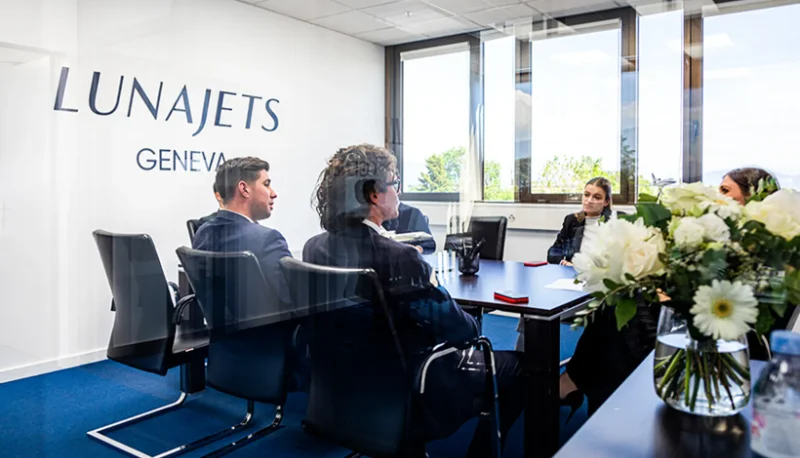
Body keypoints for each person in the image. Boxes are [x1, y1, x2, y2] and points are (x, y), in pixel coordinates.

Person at [303, 144, 523, 458]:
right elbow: (463, 331)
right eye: (394, 183)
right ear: (374, 194)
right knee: (522, 368)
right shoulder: (400, 257)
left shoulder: (315, 247)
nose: (398, 191)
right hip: (412, 379)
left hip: (346, 381)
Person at [192, 157, 308, 390]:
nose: (273, 193)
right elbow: (292, 301)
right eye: (266, 184)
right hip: (270, 351)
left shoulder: (203, 232)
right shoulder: (267, 239)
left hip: (228, 351)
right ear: (244, 189)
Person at [719, 167, 787, 360]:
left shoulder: (770, 251)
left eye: (725, 191)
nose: (717, 197)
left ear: (752, 198)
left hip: (747, 347)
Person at [547, 177, 617, 266]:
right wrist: (565, 263)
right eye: (586, 195)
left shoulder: (615, 221)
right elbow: (553, 253)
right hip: (574, 274)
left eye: (597, 197)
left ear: (606, 201)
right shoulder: (572, 220)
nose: (589, 200)